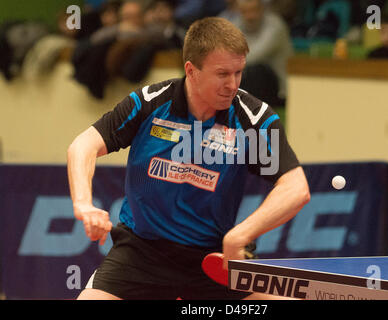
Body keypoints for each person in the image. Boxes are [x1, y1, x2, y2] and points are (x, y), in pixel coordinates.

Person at [67, 16, 310, 300]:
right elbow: (83, 145)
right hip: (141, 254)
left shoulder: (251, 120)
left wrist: (240, 235)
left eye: (238, 73)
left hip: (212, 258)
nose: (232, 84)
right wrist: (84, 204)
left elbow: (296, 188)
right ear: (191, 71)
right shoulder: (150, 104)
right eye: (222, 74)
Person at [234, 0, 293, 106]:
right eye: (245, 11)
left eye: (253, 10)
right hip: (251, 84)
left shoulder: (275, 26)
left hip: (279, 91)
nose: (250, 16)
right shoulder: (237, 24)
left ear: (262, 9)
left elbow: (255, 55)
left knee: (255, 70)